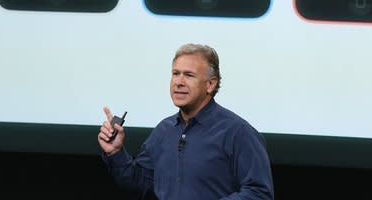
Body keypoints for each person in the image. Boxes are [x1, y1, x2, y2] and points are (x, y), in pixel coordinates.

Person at [98, 43, 274, 199]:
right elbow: (140, 185)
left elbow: (259, 193)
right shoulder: (163, 130)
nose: (179, 82)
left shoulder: (238, 132)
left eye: (189, 75)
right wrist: (115, 152)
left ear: (210, 84)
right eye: (175, 74)